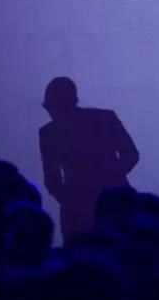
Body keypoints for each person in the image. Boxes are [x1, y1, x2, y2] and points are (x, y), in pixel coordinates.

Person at [39, 77, 140, 243]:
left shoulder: (49, 133)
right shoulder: (105, 118)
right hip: (111, 204)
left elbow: (52, 179)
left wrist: (72, 198)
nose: (52, 113)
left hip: (86, 211)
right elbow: (130, 155)